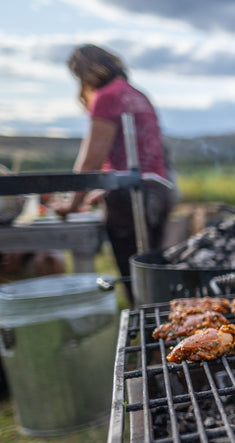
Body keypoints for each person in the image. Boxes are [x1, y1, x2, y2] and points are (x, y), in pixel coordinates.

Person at [56, 43, 174, 304]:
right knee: (154, 276)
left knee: (137, 282)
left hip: (131, 198)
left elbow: (91, 160)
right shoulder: (137, 94)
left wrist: (71, 203)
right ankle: (162, 337)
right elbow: (145, 157)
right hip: (158, 191)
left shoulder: (107, 97)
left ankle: (151, 338)